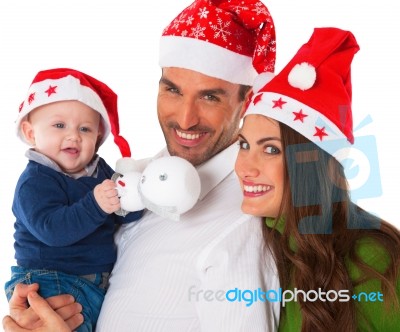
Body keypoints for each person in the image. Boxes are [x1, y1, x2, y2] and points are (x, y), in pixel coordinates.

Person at [3, 0, 280, 331]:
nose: (185, 118)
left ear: (245, 102)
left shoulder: (242, 224)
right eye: (172, 90)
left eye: (210, 97)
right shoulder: (142, 174)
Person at [235, 27, 400, 331]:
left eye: (271, 149)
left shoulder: (376, 259)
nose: (246, 167)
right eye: (244, 144)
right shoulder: (255, 243)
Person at [4, 68, 144, 331]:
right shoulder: (36, 180)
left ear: (98, 138)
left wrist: (132, 198)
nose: (73, 136)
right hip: (51, 282)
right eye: (59, 125)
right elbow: (53, 230)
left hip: (93, 283)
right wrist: (97, 204)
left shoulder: (99, 169)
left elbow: (117, 212)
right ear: (31, 133)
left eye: (85, 128)